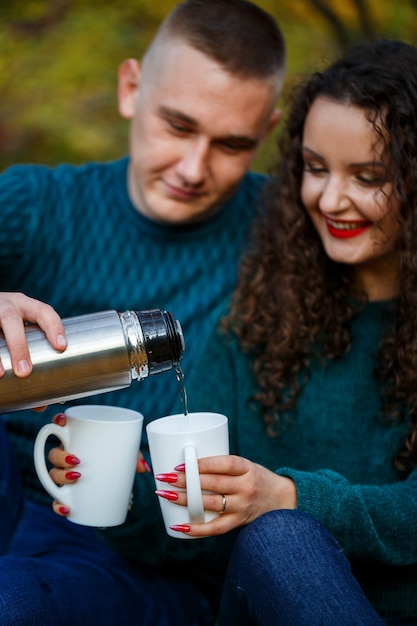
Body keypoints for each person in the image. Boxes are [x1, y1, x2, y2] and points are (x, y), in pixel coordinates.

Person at [0, 1, 286, 624]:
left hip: (129, 559)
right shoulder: (34, 207)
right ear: (131, 89)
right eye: (178, 126)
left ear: (268, 131)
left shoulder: (287, 237)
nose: (193, 169)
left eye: (232, 144)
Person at [138, 39, 417, 624]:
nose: (329, 198)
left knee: (284, 525)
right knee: (280, 540)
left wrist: (289, 496)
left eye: (368, 176)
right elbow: (188, 536)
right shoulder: (258, 318)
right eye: (315, 169)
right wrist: (124, 494)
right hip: (259, 600)